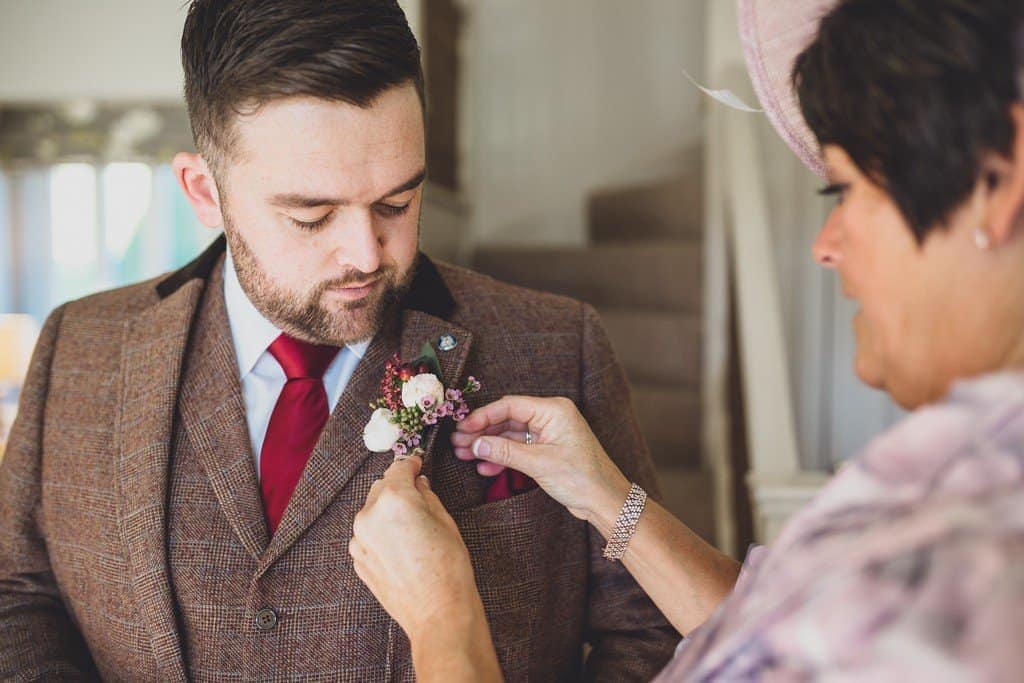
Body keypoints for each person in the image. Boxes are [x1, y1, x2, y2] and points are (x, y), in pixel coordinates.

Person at [0, 1, 682, 680]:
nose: (365, 254)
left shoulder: (559, 345)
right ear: (204, 191)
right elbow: (19, 600)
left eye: (396, 203)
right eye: (312, 216)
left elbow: (653, 634)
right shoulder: (79, 348)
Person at [349, 0, 1024, 679]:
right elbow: (774, 627)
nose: (824, 246)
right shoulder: (954, 489)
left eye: (843, 192)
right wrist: (604, 495)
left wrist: (444, 618)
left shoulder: (979, 549)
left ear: (998, 181)